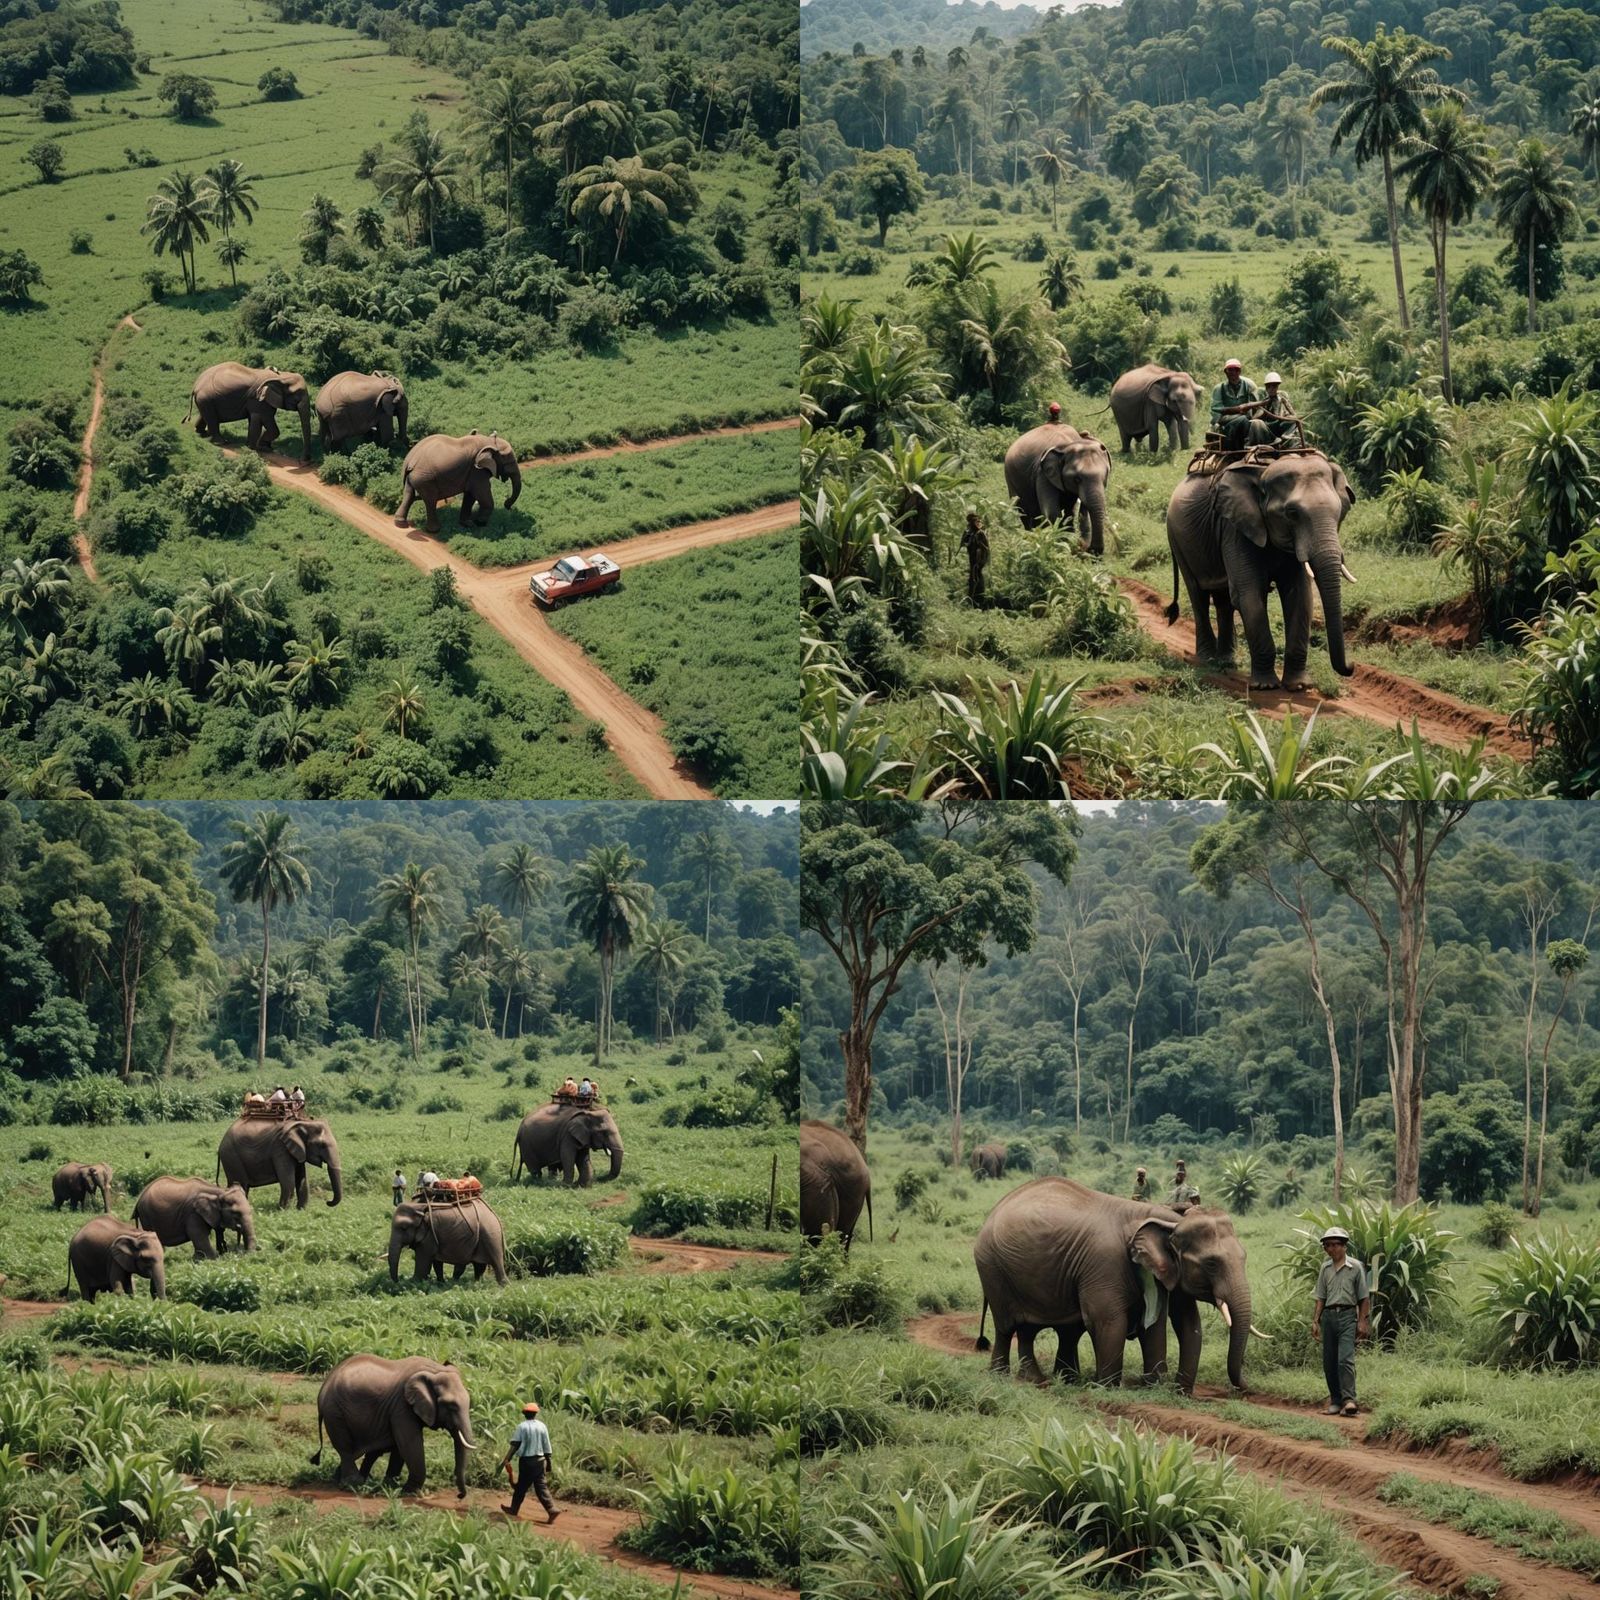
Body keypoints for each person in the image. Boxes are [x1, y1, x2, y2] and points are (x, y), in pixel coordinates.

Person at [1312, 1225, 1371, 1417]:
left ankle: (1349, 1400)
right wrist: (1316, 1320)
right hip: (1329, 1317)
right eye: (1327, 1245)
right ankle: (1336, 1401)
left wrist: (1362, 1321)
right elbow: (1321, 1296)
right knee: (1329, 1361)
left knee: (1345, 1359)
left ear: (1344, 1246)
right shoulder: (1325, 1268)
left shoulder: (1355, 1267)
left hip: (1347, 1316)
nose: (1331, 1249)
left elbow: (1364, 1298)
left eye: (1336, 1245)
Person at [500, 1401, 559, 1522]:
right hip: (540, 1461)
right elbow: (547, 1445)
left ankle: (513, 1509)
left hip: (527, 1461)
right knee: (541, 1487)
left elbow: (515, 1444)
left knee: (521, 1487)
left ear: (524, 1413)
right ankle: (551, 1509)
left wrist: (507, 1458)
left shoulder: (522, 1426)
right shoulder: (542, 1426)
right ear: (535, 1414)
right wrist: (549, 1463)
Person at [1210, 359, 1261, 450]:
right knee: (1242, 419)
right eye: (1230, 370)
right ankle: (1242, 446)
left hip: (1246, 418)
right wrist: (1236, 412)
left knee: (1257, 424)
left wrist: (1254, 417)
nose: (1233, 372)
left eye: (1236, 370)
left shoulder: (1249, 386)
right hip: (1225, 419)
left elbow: (1256, 406)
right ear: (1225, 372)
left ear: (1240, 371)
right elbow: (1216, 412)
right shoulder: (1219, 388)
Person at [1257, 372, 1298, 445]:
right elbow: (1257, 417)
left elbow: (1294, 414)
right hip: (1269, 427)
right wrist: (1262, 410)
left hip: (1280, 424)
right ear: (1266, 388)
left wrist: (1288, 417)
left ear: (1277, 387)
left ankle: (1286, 436)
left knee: (1294, 421)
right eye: (1269, 387)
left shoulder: (1283, 399)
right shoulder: (1264, 402)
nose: (1272, 389)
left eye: (1274, 387)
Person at [961, 510, 990, 607]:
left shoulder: (980, 533)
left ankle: (977, 598)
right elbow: (965, 543)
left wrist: (980, 546)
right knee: (973, 577)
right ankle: (973, 599)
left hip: (978, 560)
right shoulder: (970, 533)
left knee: (976, 577)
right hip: (973, 558)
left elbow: (986, 548)